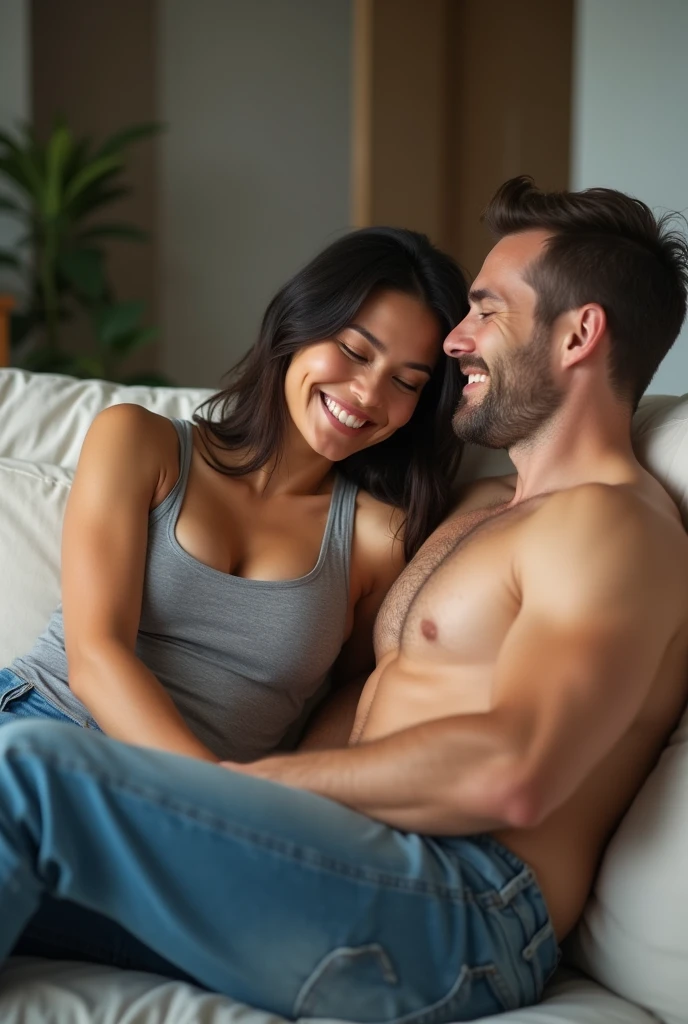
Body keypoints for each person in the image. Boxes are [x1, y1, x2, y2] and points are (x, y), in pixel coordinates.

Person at [2, 176, 688, 1023]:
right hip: (340, 862)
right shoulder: (479, 511)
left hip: (461, 906)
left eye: (485, 312)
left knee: (23, 771)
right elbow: (351, 689)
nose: (457, 343)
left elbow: (516, 770)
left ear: (581, 333)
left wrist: (247, 789)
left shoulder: (612, 526)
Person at [0, 227, 466, 763]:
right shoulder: (138, 442)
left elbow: (358, 693)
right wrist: (219, 793)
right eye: (354, 351)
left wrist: (287, 797)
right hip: (43, 731)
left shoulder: (377, 538)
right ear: (299, 325)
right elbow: (95, 657)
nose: (368, 393)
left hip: (202, 813)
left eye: (406, 382)